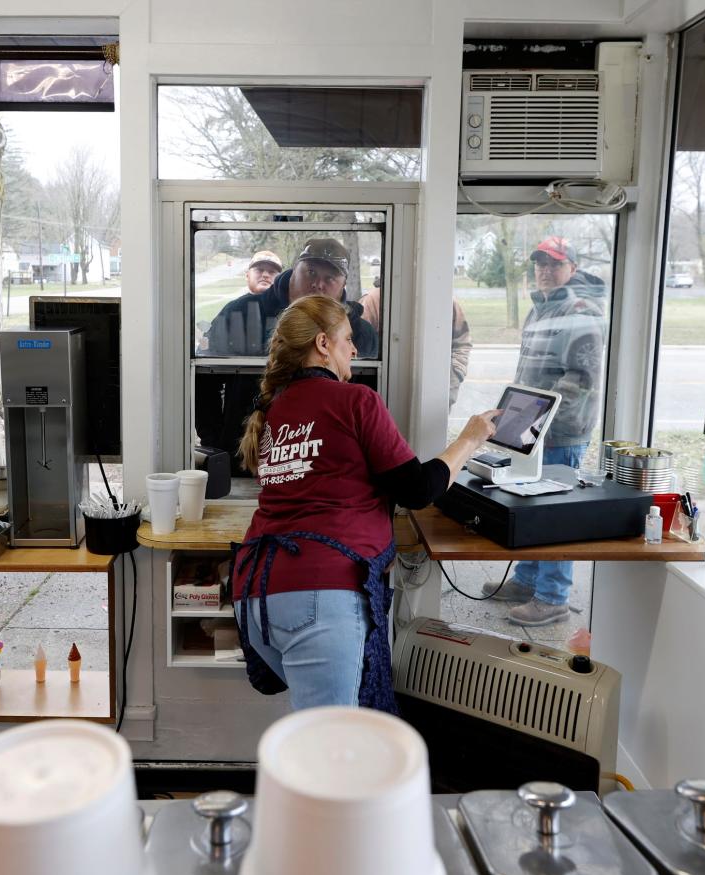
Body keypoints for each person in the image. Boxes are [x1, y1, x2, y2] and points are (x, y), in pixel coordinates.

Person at [233, 296, 499, 711]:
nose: (354, 349)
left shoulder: (275, 409)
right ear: (323, 343)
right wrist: (469, 439)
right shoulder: (356, 400)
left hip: (256, 594)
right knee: (332, 752)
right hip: (320, 596)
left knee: (319, 739)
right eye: (348, 339)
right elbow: (416, 489)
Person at [481, 235, 607, 627]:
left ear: (571, 268)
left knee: (556, 514)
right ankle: (526, 580)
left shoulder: (580, 310)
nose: (545, 271)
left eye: (554, 264)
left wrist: (540, 420)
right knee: (531, 507)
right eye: (540, 264)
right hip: (532, 426)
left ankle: (553, 597)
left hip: (561, 431)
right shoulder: (540, 309)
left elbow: (581, 379)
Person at [196, 239, 378, 475]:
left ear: (344, 284)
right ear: (294, 270)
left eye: (330, 277)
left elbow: (371, 399)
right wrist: (217, 442)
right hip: (244, 460)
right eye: (310, 271)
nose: (317, 284)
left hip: (327, 469)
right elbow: (204, 379)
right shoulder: (240, 313)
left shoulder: (360, 333)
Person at [359, 275, 473, 407]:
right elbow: (362, 352)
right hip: (386, 393)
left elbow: (461, 342)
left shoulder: (444, 299)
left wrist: (452, 378)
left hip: (434, 392)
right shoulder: (375, 300)